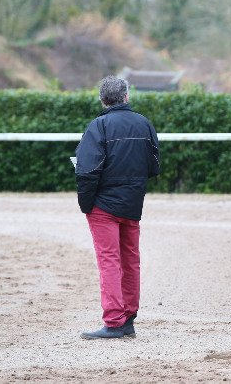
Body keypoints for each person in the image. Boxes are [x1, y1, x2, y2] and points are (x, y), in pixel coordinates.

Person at [76, 75, 160, 340]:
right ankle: (128, 320)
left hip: (103, 206)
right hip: (132, 203)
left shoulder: (98, 126)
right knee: (131, 260)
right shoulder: (144, 124)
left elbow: (86, 171)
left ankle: (113, 321)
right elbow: (153, 166)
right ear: (126, 96)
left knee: (109, 261)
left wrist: (86, 204)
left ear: (103, 100)